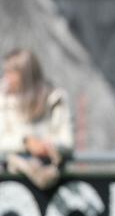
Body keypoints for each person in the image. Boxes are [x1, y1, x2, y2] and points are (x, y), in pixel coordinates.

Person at [0, 49, 73, 190]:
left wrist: (46, 146)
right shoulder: (3, 98)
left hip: (52, 179)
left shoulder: (55, 98)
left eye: (11, 73)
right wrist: (26, 142)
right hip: (11, 182)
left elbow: (67, 142)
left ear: (25, 74)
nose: (7, 78)